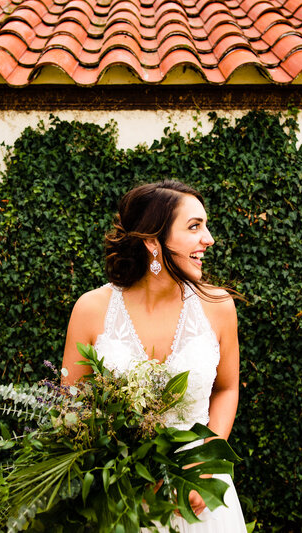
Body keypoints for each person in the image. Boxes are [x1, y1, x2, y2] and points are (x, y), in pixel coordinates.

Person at [61, 180, 247, 532]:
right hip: (123, 502)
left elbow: (226, 389)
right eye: (194, 227)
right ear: (152, 241)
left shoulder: (218, 306)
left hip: (198, 496)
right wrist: (122, 464)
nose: (208, 239)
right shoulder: (91, 309)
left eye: (205, 226)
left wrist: (207, 457)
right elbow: (72, 407)